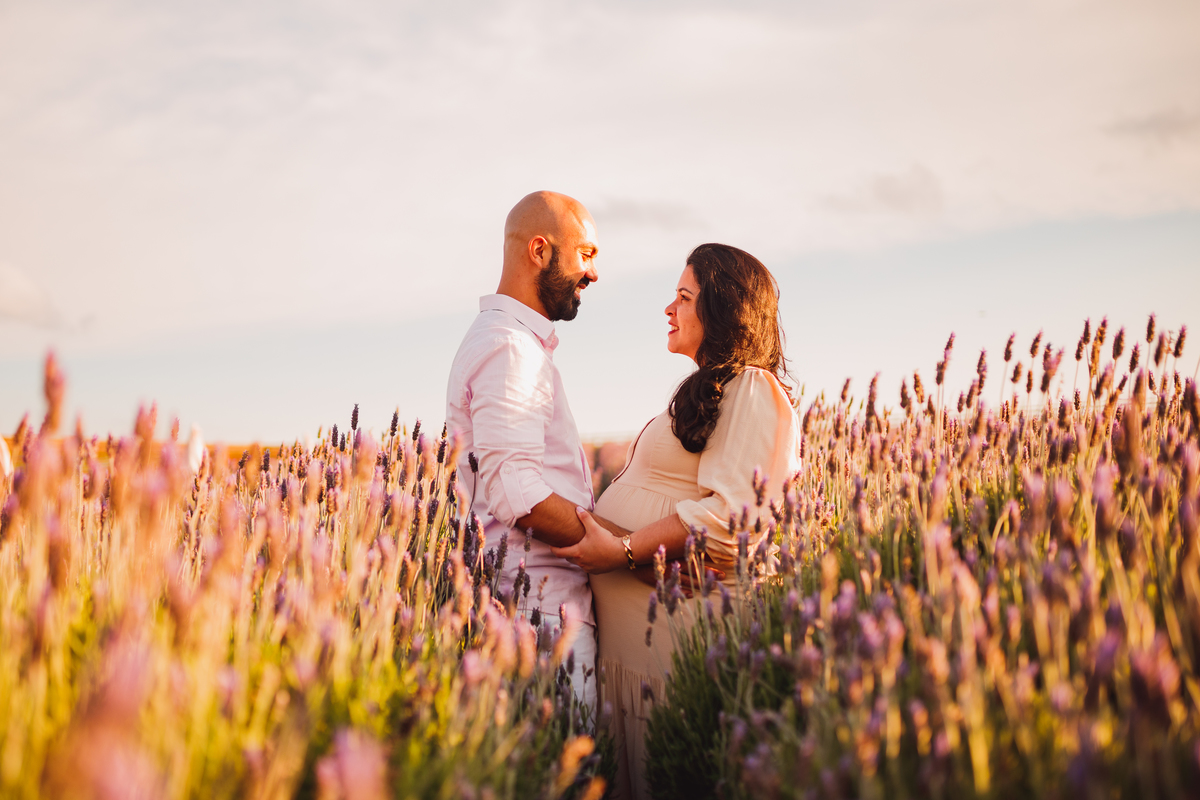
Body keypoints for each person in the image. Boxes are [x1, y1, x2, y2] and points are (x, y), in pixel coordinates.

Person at [551, 243, 801, 800]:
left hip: (673, 649)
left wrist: (622, 552)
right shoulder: (709, 390)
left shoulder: (753, 387)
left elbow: (734, 518)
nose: (669, 308)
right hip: (636, 654)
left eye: (684, 298)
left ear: (722, 308)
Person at [445, 190, 603, 711]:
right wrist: (620, 549)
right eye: (585, 254)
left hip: (529, 611)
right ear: (539, 250)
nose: (593, 273)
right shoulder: (511, 347)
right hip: (542, 618)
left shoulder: (507, 341)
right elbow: (518, 494)